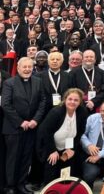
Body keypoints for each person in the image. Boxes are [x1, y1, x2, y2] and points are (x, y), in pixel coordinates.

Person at [2, 57, 47, 194]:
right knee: (12, 159)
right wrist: (21, 122)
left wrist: (35, 120)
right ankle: (10, 186)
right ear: (19, 68)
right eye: (24, 67)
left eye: (29, 67)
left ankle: (21, 184)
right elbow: (6, 104)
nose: (27, 69)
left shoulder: (38, 81)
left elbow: (42, 102)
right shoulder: (9, 83)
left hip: (31, 127)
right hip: (13, 128)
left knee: (26, 158)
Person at [37, 88, 89, 183]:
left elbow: (79, 132)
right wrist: (52, 151)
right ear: (65, 99)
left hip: (67, 144)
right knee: (51, 165)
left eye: (76, 100)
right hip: (48, 144)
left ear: (80, 102)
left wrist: (70, 148)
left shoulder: (82, 112)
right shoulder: (56, 112)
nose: (72, 102)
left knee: (68, 170)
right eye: (70, 99)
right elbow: (46, 133)